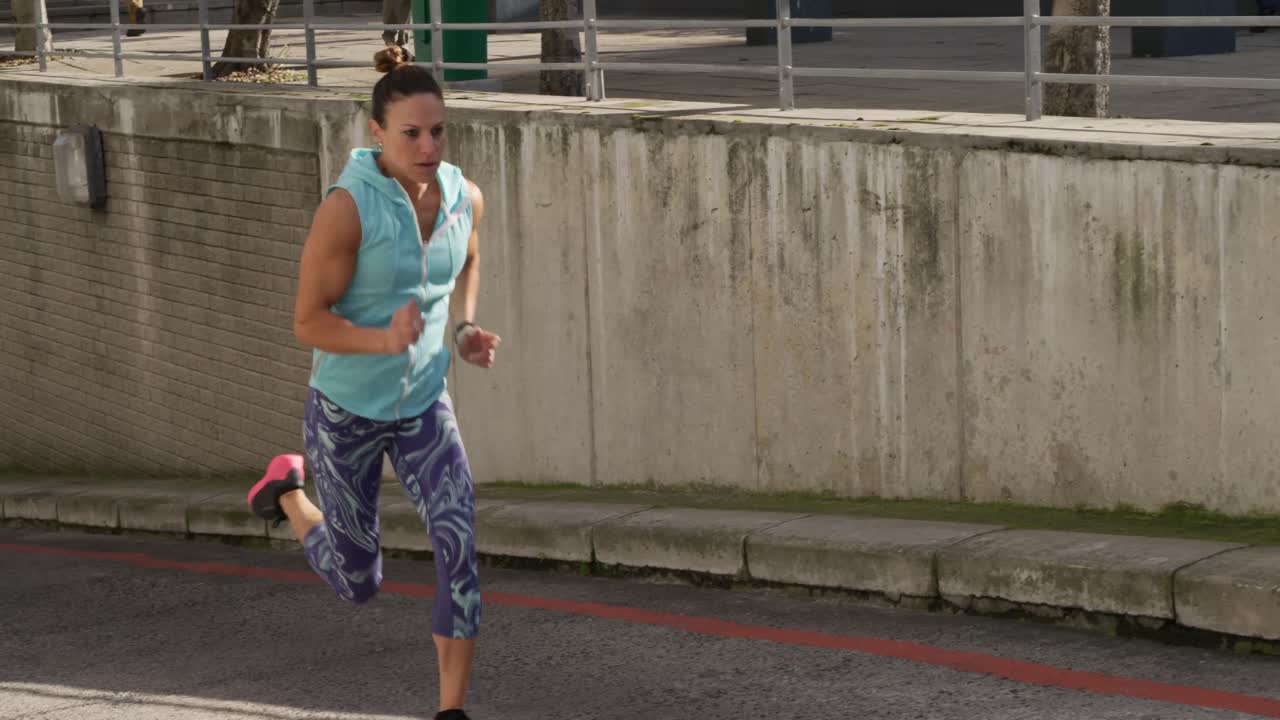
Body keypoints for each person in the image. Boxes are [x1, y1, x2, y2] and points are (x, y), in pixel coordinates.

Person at [246, 45, 500, 720]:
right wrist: (379, 340)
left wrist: (466, 329)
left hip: (422, 405)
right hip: (346, 412)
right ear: (377, 134)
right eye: (412, 133)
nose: (428, 145)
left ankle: (451, 710)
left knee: (459, 543)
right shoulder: (347, 208)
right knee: (358, 581)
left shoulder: (463, 196)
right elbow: (307, 321)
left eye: (438, 130)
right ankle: (289, 496)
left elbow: (468, 261)